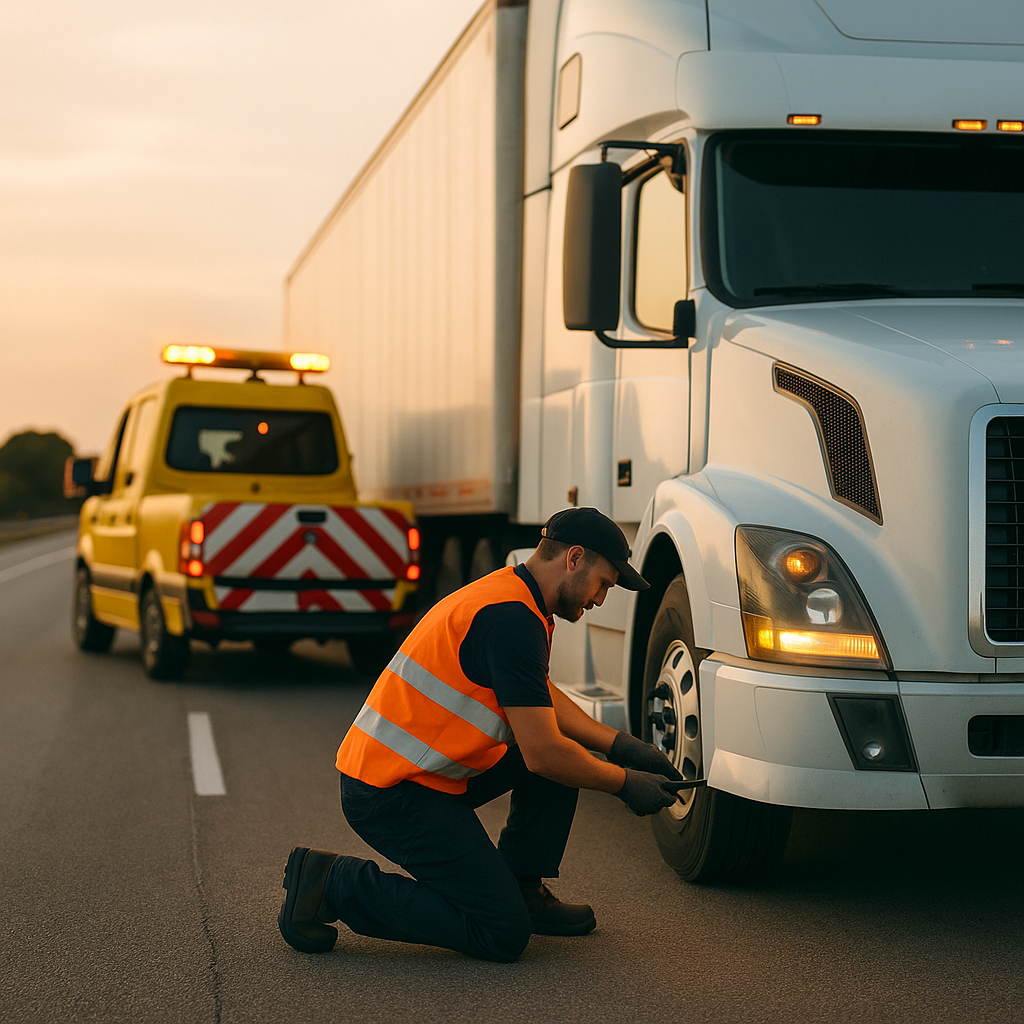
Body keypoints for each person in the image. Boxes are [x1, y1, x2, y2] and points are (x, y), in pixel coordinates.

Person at [278, 506, 684, 964]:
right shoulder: (512, 620)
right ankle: (330, 882)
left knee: (563, 751)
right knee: (501, 931)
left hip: (426, 772)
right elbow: (543, 755)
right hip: (389, 793)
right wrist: (624, 784)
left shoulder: (515, 596)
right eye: (605, 583)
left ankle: (521, 886)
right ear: (574, 558)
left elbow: (538, 695)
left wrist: (620, 745)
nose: (601, 598)